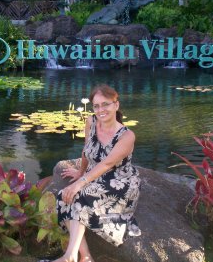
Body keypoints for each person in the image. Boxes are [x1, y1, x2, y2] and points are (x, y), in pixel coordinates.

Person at [41, 85, 141, 262]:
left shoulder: (127, 136)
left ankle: (69, 257)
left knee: (79, 196)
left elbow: (108, 163)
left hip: (119, 181)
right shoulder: (91, 122)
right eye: (96, 106)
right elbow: (87, 149)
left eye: (106, 104)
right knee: (63, 196)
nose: (101, 110)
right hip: (95, 175)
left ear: (116, 105)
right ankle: (84, 256)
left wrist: (80, 183)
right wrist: (80, 171)